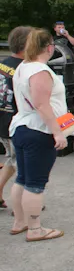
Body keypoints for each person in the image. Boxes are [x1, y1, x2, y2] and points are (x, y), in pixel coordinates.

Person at [9, 28, 68, 242]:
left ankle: (20, 222)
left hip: (21, 127)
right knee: (35, 184)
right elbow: (41, 104)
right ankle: (35, 228)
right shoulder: (40, 71)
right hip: (38, 131)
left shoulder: (23, 66)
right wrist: (57, 133)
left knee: (22, 179)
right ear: (49, 47)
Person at [0, 27, 31, 209]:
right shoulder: (23, 69)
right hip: (16, 124)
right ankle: (22, 205)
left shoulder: (3, 64)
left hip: (3, 121)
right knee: (24, 167)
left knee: (12, 160)